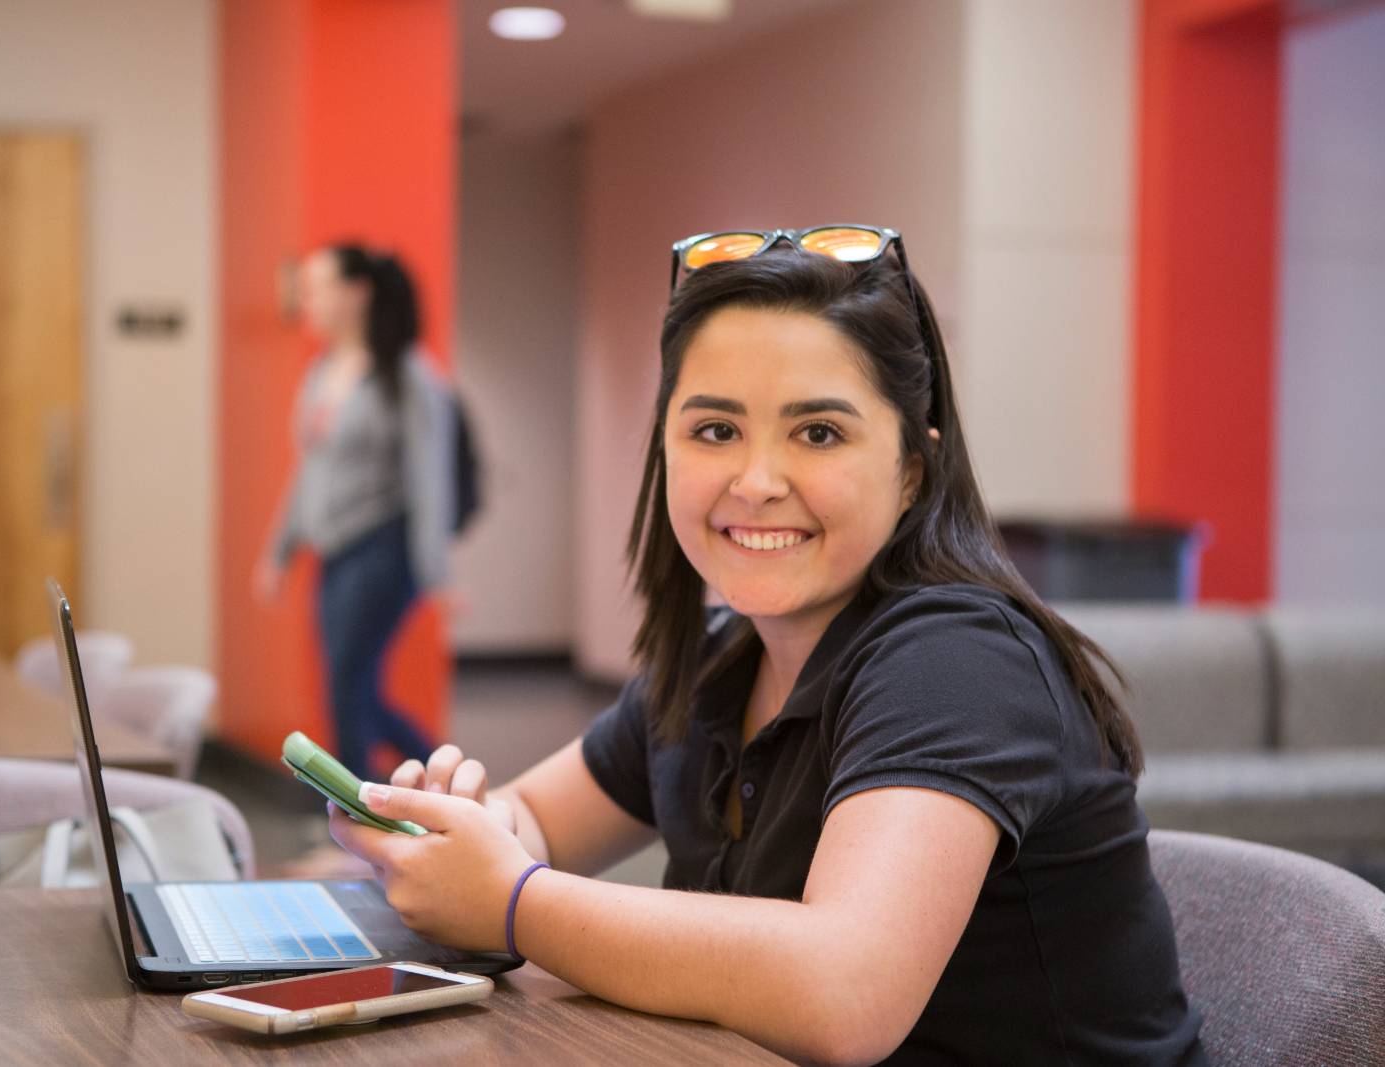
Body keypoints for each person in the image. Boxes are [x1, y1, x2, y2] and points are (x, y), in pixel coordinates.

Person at [326, 227, 1206, 1064]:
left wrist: (513, 901)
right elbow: (542, 820)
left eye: (818, 432)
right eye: (715, 430)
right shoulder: (719, 656)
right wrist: (457, 832)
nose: (755, 482)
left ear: (912, 469)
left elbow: (844, 988)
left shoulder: (956, 659)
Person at [256, 243, 453, 778]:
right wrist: (279, 551)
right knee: (352, 690)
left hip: (382, 549)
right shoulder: (323, 370)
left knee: (348, 689)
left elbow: (429, 478)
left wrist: (438, 572)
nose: (308, 299)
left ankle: (357, 821)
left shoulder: (407, 374)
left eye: (319, 287)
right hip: (335, 553)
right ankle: (444, 785)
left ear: (356, 293)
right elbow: (309, 471)